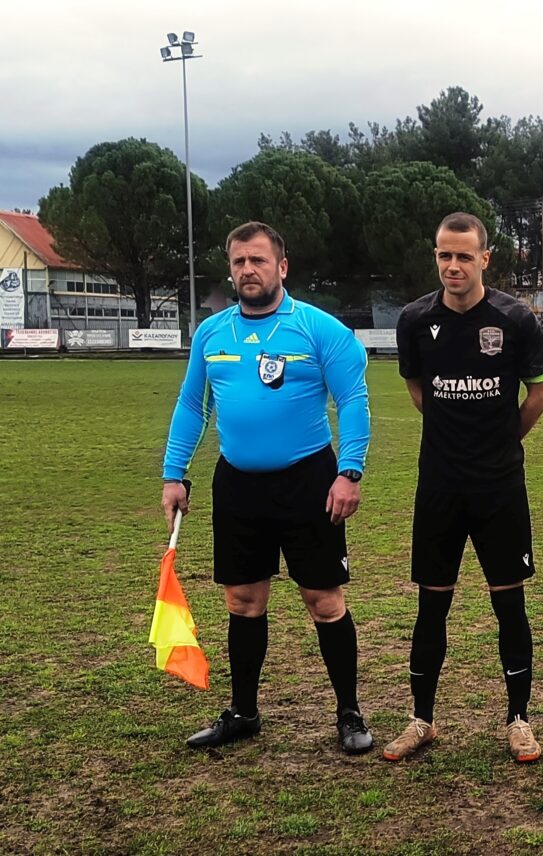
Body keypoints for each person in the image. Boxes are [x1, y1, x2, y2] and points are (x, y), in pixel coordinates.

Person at [161, 221, 373, 754]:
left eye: (257, 260)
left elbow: (353, 401)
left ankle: (349, 712)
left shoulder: (320, 329)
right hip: (238, 484)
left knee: (324, 601)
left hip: (309, 481)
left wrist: (349, 472)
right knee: (243, 600)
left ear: (282, 266)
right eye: (239, 262)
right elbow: (192, 405)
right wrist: (173, 474)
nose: (247, 270)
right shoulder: (212, 333)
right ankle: (244, 712)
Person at [384, 213, 543, 764]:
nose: (452, 265)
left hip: (499, 487)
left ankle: (519, 720)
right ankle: (421, 719)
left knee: (509, 604)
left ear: (485, 258)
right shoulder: (415, 319)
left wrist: (499, 442)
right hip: (439, 485)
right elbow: (418, 388)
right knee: (431, 606)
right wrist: (453, 437)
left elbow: (538, 397)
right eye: (444, 255)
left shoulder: (515, 319)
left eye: (463, 255)